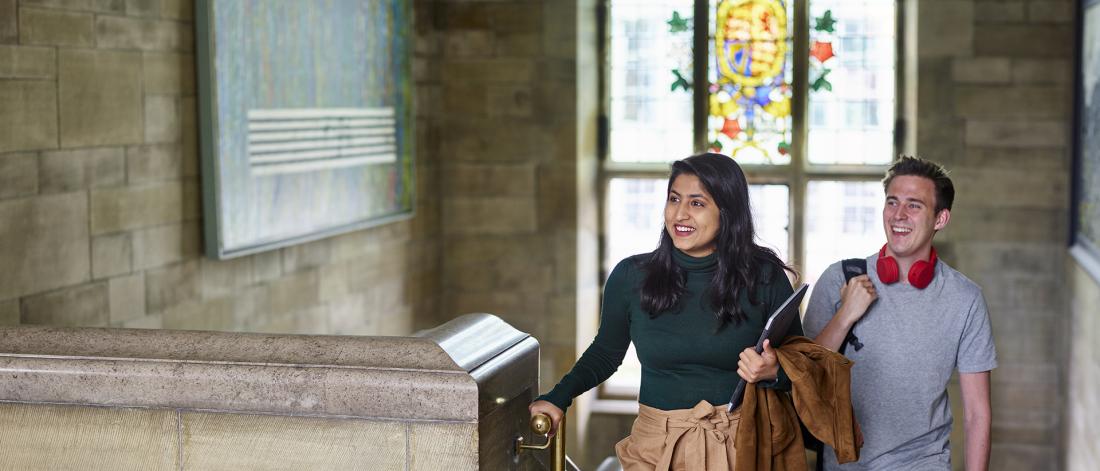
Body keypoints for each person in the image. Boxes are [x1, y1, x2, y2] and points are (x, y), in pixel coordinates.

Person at [529, 153, 802, 470]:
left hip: (741, 446)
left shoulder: (764, 276)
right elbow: (605, 353)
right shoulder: (631, 276)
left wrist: (774, 371)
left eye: (697, 203)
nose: (680, 214)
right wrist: (557, 397)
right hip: (655, 446)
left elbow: (803, 365)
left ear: (728, 213)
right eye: (674, 199)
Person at [802, 156, 997, 471]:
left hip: (923, 462)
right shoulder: (840, 278)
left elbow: (977, 413)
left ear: (940, 219)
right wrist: (845, 316)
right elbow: (803, 375)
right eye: (892, 202)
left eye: (914, 205)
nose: (899, 215)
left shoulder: (965, 299)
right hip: (842, 462)